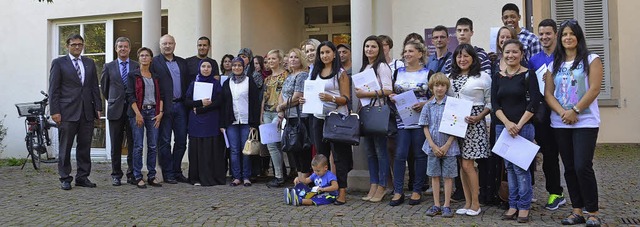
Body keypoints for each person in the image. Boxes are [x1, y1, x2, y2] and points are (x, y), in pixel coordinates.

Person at [545, 19, 603, 227]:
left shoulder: (592, 59)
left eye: (571, 34)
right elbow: (548, 94)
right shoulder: (554, 64)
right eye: (564, 35)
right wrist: (563, 112)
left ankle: (593, 212)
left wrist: (575, 110)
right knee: (569, 167)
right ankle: (576, 210)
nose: (567, 37)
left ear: (578, 37)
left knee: (582, 166)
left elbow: (594, 89)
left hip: (585, 121)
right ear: (560, 39)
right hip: (561, 122)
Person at [492, 39, 541, 223]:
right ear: (502, 54)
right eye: (507, 52)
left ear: (521, 54)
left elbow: (534, 102)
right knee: (509, 168)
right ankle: (512, 205)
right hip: (503, 128)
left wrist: (518, 125)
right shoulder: (498, 76)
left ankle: (524, 206)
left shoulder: (529, 75)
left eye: (514, 52)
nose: (510, 55)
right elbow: (495, 103)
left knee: (521, 169)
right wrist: (507, 123)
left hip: (524, 128)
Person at [301, 41, 352, 205]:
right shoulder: (314, 72)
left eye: (327, 52)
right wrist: (304, 99)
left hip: (336, 119)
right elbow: (309, 91)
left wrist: (332, 98)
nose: (324, 56)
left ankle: (342, 191)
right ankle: (323, 189)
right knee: (321, 157)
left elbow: (346, 99)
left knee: (339, 157)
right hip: (318, 118)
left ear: (334, 54)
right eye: (321, 53)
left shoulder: (341, 73)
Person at [49, 34, 102, 190]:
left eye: (80, 44)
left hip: (86, 111)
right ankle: (65, 177)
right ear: (68, 46)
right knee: (65, 147)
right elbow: (54, 89)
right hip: (66, 112)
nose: (77, 47)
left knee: (85, 146)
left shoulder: (89, 63)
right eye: (74, 44)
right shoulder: (59, 63)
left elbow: (94, 87)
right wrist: (55, 111)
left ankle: (82, 177)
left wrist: (98, 107)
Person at [447, 44, 492, 216]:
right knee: (461, 163)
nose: (462, 59)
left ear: (473, 58)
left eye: (466, 56)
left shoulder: (483, 76)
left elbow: (490, 103)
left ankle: (476, 203)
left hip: (474, 121)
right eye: (459, 56)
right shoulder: (450, 77)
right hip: (456, 121)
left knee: (469, 164)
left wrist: (479, 117)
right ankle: (467, 202)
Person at [528, 18, 566, 211]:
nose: (544, 37)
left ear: (555, 35)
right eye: (541, 34)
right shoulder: (534, 61)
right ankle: (555, 193)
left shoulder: (565, 57)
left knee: (571, 156)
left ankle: (580, 195)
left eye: (548, 33)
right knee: (549, 155)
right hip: (544, 114)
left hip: (565, 111)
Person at [388, 40, 431, 206]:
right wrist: (392, 96)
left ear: (420, 54)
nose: (407, 54)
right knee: (400, 154)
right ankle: (398, 191)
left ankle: (416, 190)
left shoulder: (428, 72)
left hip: (421, 119)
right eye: (405, 51)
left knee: (420, 155)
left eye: (411, 51)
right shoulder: (398, 72)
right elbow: (392, 91)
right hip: (401, 119)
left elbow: (436, 95)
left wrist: (424, 104)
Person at [356, 36, 393, 203]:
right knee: (370, 152)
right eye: (367, 46)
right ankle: (373, 183)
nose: (369, 49)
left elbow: (387, 90)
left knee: (380, 151)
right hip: (365, 111)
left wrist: (365, 94)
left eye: (373, 46)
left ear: (379, 49)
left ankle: (382, 185)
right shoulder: (365, 67)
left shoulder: (382, 66)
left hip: (378, 111)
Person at [420, 72, 460, 218]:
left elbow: (455, 126)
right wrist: (433, 146)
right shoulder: (428, 106)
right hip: (432, 147)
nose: (440, 89)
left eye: (443, 85)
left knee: (448, 177)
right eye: (437, 85)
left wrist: (447, 145)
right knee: (434, 176)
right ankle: (436, 203)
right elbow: (425, 126)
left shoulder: (452, 104)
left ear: (446, 87)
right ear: (431, 87)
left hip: (449, 147)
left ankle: (447, 205)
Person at [100, 37, 139, 186]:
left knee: (133, 143)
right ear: (116, 49)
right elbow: (105, 88)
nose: (123, 49)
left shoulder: (136, 66)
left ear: (130, 49)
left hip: (132, 109)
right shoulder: (108, 66)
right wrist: (114, 99)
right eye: (120, 47)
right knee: (116, 144)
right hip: (115, 109)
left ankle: (131, 174)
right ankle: (116, 174)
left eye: (125, 47)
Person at [269, 48, 311, 188]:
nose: (292, 59)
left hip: (300, 116)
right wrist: (281, 109)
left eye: (296, 57)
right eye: (291, 57)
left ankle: (304, 181)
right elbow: (282, 93)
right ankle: (299, 180)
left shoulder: (302, 75)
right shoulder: (289, 76)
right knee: (294, 150)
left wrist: (281, 107)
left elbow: (297, 96)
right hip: (289, 116)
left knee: (302, 149)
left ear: (301, 60)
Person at [153, 34, 189, 184]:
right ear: (160, 46)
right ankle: (168, 173)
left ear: (175, 45)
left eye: (170, 43)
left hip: (181, 106)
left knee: (181, 141)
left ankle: (176, 170)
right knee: (165, 141)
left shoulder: (182, 62)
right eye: (164, 44)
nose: (167, 46)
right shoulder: (155, 62)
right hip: (164, 107)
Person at [126, 47, 164, 189]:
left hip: (153, 113)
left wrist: (160, 113)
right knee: (138, 146)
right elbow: (130, 95)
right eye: (141, 55)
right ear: (138, 58)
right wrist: (137, 114)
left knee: (153, 146)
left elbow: (161, 95)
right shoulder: (133, 75)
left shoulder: (155, 76)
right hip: (138, 113)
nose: (144, 58)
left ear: (151, 59)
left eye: (147, 55)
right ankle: (137, 176)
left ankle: (152, 176)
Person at [220, 57, 260, 187]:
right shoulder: (227, 83)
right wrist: (222, 124)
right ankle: (236, 176)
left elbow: (255, 103)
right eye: (234, 65)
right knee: (234, 150)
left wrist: (254, 124)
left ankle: (246, 176)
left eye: (239, 65)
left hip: (246, 121)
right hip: (231, 121)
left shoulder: (249, 81)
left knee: (246, 149)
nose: (237, 68)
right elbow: (223, 104)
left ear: (244, 67)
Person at [184, 58, 224, 186]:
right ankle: (195, 178)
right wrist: (200, 103)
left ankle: (210, 177)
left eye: (208, 67)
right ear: (199, 68)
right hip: (196, 122)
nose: (206, 69)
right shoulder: (193, 83)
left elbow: (219, 102)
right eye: (203, 67)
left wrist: (201, 109)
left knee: (209, 149)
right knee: (196, 150)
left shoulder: (216, 84)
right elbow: (187, 101)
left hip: (211, 121)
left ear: (212, 69)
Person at [260, 49, 289, 182]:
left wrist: (281, 112)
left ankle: (279, 176)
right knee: (272, 145)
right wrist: (261, 116)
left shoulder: (286, 76)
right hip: (267, 113)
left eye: (273, 59)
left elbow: (286, 95)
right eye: (268, 59)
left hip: (279, 113)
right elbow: (264, 98)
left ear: (280, 60)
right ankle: (281, 173)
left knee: (274, 145)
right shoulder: (267, 79)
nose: (270, 61)